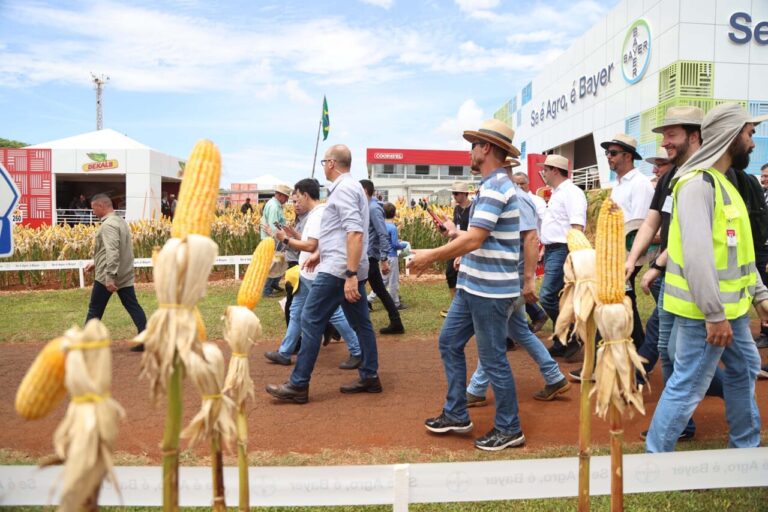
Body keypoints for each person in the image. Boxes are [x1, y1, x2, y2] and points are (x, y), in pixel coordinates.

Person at [646, 103, 768, 453]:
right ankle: (655, 460)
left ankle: (744, 447)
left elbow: (737, 254)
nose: (752, 142)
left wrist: (759, 295)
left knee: (745, 369)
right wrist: (714, 314)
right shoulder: (697, 185)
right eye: (748, 133)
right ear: (731, 135)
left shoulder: (723, 184)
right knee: (687, 386)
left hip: (731, 313)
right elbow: (698, 257)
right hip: (706, 316)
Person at [408, 119, 526, 451]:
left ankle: (509, 428)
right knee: (449, 342)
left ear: (486, 148)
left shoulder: (495, 187)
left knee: (492, 360)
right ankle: (457, 413)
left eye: (474, 145)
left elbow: (476, 239)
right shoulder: (491, 186)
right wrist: (455, 233)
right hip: (473, 286)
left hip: (489, 291)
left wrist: (431, 255)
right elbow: (479, 237)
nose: (470, 151)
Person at [265, 144, 381, 403]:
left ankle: (298, 384)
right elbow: (344, 232)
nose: (324, 167)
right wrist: (322, 253)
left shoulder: (344, 190)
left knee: (310, 317)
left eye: (324, 162)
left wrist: (349, 274)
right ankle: (370, 376)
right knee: (361, 322)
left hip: (339, 270)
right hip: (342, 264)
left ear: (331, 163)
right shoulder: (351, 188)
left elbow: (354, 232)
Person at [465, 157, 571, 407]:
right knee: (518, 330)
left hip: (509, 279)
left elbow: (530, 240)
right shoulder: (504, 193)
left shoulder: (516, 197)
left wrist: (527, 281)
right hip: (508, 277)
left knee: (493, 333)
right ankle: (554, 376)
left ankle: (476, 389)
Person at [264, 178, 363, 370]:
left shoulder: (318, 215)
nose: (295, 203)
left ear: (306, 195)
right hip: (306, 273)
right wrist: (294, 235)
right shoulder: (314, 214)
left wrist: (285, 240)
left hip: (316, 273)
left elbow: (312, 245)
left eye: (296, 198)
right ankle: (284, 352)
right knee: (295, 312)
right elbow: (312, 241)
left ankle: (357, 350)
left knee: (334, 314)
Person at [602, 133, 655, 349]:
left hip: (628, 252)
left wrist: (629, 258)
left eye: (613, 153)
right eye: (607, 153)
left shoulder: (640, 184)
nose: (609, 157)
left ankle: (601, 358)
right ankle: (641, 350)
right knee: (624, 298)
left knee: (615, 297)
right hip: (613, 251)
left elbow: (640, 225)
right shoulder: (619, 184)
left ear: (628, 156)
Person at [537, 154, 587, 357]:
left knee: (547, 295)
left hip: (563, 249)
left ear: (555, 171)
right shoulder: (558, 192)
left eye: (546, 170)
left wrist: (574, 254)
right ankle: (562, 341)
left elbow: (577, 225)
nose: (544, 173)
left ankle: (573, 336)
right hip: (552, 249)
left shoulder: (571, 192)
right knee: (557, 297)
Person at [83, 194, 147, 351]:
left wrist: (109, 277)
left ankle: (86, 343)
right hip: (124, 273)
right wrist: (95, 262)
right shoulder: (120, 221)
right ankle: (145, 339)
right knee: (133, 306)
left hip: (109, 275)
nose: (93, 212)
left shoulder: (108, 225)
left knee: (95, 309)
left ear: (101, 206)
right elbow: (116, 250)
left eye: (93, 209)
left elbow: (113, 251)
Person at [360, 179, 405, 335]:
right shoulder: (368, 207)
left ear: (365, 191)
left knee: (351, 290)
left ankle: (340, 327)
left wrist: (384, 259)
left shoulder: (373, 208)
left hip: (370, 256)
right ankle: (396, 322)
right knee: (380, 289)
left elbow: (382, 233)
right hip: (368, 255)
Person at [510, 167, 548, 334]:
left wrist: (543, 247)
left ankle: (519, 328)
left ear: (528, 183)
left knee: (519, 285)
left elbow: (545, 224)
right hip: (515, 246)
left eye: (522, 184)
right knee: (516, 286)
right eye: (516, 183)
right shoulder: (513, 199)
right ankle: (535, 315)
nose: (519, 186)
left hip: (530, 244)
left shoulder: (536, 201)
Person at [439, 181, 472, 318]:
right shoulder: (457, 208)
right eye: (453, 193)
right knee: (450, 274)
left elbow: (473, 233)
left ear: (465, 194)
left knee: (466, 278)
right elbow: (455, 228)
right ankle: (455, 307)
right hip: (456, 244)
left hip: (468, 245)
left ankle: (466, 309)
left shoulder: (473, 209)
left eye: (456, 193)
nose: (454, 196)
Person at [367, 202, 408, 310]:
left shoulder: (381, 225)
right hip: (392, 256)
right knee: (393, 280)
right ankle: (395, 302)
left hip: (383, 256)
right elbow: (394, 244)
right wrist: (403, 245)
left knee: (383, 280)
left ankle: (369, 299)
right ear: (394, 214)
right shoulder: (393, 227)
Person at [260, 184, 292, 297]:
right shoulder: (274, 206)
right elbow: (274, 225)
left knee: (279, 262)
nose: (287, 199)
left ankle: (273, 284)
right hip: (273, 239)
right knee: (274, 264)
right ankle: (266, 290)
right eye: (286, 196)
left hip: (274, 238)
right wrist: (282, 235)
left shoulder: (274, 204)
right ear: (279, 195)